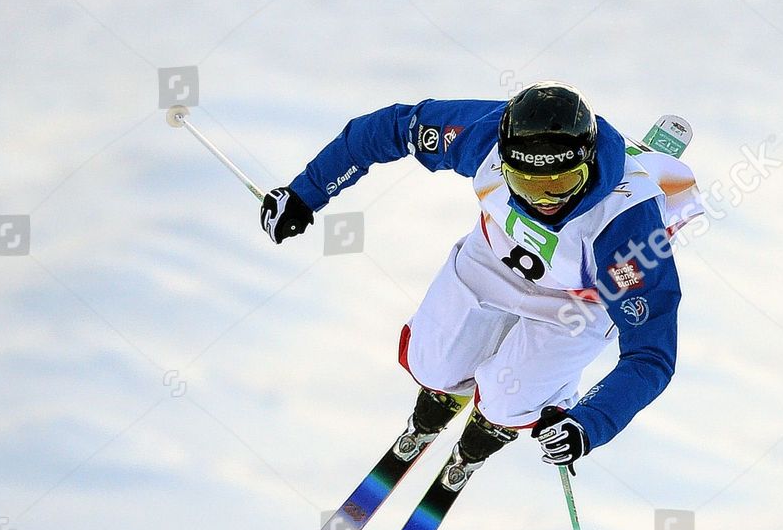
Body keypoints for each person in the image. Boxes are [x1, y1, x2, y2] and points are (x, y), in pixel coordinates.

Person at [260, 82, 702, 485]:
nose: (546, 201)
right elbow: (392, 128)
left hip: (579, 300)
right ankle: (437, 404)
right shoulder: (485, 135)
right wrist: (305, 192)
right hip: (495, 260)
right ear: (506, 163)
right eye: (527, 184)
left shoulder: (629, 231)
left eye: (564, 184)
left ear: (587, 166)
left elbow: (651, 355)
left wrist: (588, 422)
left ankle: (495, 426)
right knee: (432, 365)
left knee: (508, 400)